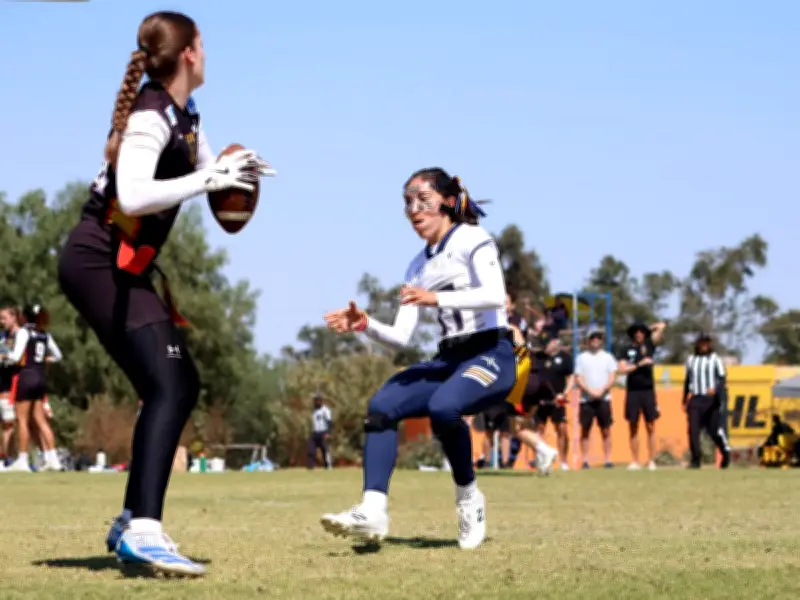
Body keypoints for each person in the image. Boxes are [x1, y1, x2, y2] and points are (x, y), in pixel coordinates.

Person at [56, 11, 274, 577]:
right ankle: (144, 530)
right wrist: (211, 179)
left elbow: (208, 171)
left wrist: (233, 168)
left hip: (123, 267)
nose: (208, 52)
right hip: (97, 259)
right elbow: (131, 195)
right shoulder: (152, 113)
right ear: (190, 54)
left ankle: (134, 519)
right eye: (205, 43)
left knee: (179, 381)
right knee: (170, 380)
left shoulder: (184, 115)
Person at [321, 167, 516, 550]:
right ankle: (372, 509)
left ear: (446, 201)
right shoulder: (417, 266)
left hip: (491, 351)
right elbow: (399, 338)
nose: (413, 209)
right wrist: (365, 324)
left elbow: (495, 295)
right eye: (407, 202)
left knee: (445, 408)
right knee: (382, 405)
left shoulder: (473, 238)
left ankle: (469, 499)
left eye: (422, 200)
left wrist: (435, 298)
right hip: (449, 358)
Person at [2, 305, 63, 472]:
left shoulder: (24, 332)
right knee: (41, 420)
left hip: (26, 377)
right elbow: (58, 355)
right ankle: (53, 459)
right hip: (40, 377)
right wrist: (44, 360)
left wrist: (4, 358)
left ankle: (22, 461)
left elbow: (15, 357)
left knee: (22, 420)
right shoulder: (44, 334)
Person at [618, 321, 666, 470]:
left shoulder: (649, 345)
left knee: (650, 425)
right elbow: (622, 369)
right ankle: (635, 461)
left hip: (648, 391)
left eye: (641, 332)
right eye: (636, 332)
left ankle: (651, 460)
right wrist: (639, 364)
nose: (639, 334)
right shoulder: (626, 349)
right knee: (633, 425)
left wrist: (647, 328)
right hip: (632, 391)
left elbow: (661, 326)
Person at [683, 333, 731, 469]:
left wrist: (716, 390)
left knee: (713, 431)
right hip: (696, 398)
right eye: (701, 343)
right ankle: (695, 460)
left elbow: (722, 378)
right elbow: (687, 380)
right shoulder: (691, 360)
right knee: (693, 430)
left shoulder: (715, 359)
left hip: (711, 400)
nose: (704, 346)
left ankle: (725, 452)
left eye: (706, 343)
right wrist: (684, 399)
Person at [575, 330, 617, 468]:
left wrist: (602, 391)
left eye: (598, 338)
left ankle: (608, 460)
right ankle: (585, 460)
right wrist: (590, 391)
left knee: (606, 430)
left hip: (604, 398)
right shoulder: (581, 358)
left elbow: (612, 377)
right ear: (588, 340)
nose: (595, 340)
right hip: (586, 399)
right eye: (593, 338)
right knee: (585, 430)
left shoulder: (608, 357)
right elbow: (578, 378)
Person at [531, 337, 574, 470]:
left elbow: (571, 377)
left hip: (558, 400)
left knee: (562, 428)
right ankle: (541, 460)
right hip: (540, 400)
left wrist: (565, 393)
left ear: (556, 343)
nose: (548, 345)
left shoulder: (565, 358)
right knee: (539, 429)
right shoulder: (539, 357)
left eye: (550, 342)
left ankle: (563, 461)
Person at [0, 315, 17, 468]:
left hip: (7, 389)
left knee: (8, 426)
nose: (2, 322)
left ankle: (9, 458)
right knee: (8, 425)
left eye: (4, 318)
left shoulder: (7, 338)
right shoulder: (3, 339)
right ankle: (5, 459)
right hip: (5, 390)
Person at [308, 394, 333, 470]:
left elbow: (329, 422)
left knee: (324, 449)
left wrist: (328, 432)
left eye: (317, 400)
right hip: (315, 432)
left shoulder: (325, 410)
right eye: (315, 400)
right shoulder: (314, 410)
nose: (316, 402)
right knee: (310, 448)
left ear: (321, 401)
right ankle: (311, 466)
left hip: (323, 432)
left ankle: (328, 465)